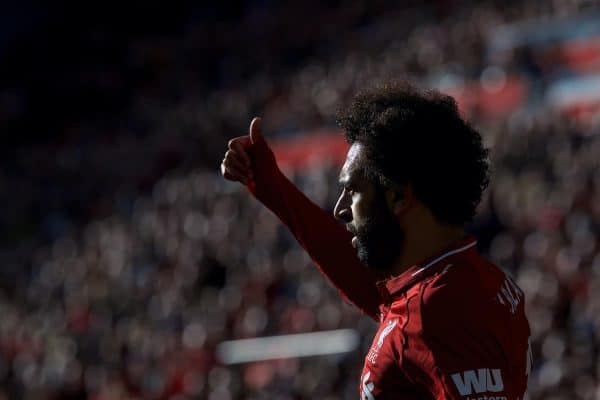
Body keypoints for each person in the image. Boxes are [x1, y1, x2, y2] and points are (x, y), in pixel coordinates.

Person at [220, 82, 531, 399]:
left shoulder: (439, 312)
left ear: (398, 197)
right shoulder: (457, 281)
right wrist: (269, 185)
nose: (341, 209)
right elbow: (359, 276)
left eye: (353, 191)